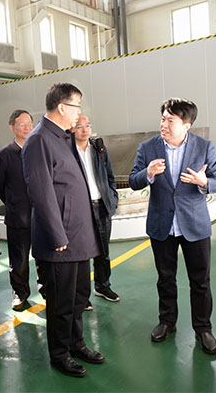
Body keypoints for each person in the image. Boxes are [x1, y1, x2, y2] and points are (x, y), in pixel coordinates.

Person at [129, 97, 216, 355]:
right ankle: (167, 321)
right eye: (162, 118)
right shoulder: (148, 148)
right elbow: (133, 180)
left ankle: (203, 329)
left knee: (200, 281)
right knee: (165, 278)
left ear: (187, 124)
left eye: (170, 120)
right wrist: (148, 173)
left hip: (194, 225)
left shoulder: (204, 147)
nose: (164, 124)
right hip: (162, 225)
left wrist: (204, 182)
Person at [22, 83, 104, 378]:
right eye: (76, 107)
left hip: (78, 235)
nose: (79, 113)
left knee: (79, 296)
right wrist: (57, 235)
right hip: (61, 239)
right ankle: (59, 354)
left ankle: (76, 343)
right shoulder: (39, 140)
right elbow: (41, 193)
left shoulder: (64, 136)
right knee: (61, 302)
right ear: (61, 107)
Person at [0, 109, 46, 311]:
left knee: (43, 257)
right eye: (21, 124)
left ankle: (46, 289)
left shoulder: (39, 150)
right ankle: (20, 293)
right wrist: (13, 203)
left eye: (29, 123)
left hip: (40, 215)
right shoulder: (4, 155)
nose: (27, 128)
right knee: (19, 260)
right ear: (12, 128)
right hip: (18, 217)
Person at [71, 115, 120, 307]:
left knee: (103, 251)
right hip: (80, 208)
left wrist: (112, 198)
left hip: (101, 206)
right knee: (81, 254)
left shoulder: (98, 148)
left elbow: (110, 176)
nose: (84, 130)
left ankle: (102, 286)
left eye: (87, 126)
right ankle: (81, 296)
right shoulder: (68, 151)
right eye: (79, 126)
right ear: (72, 129)